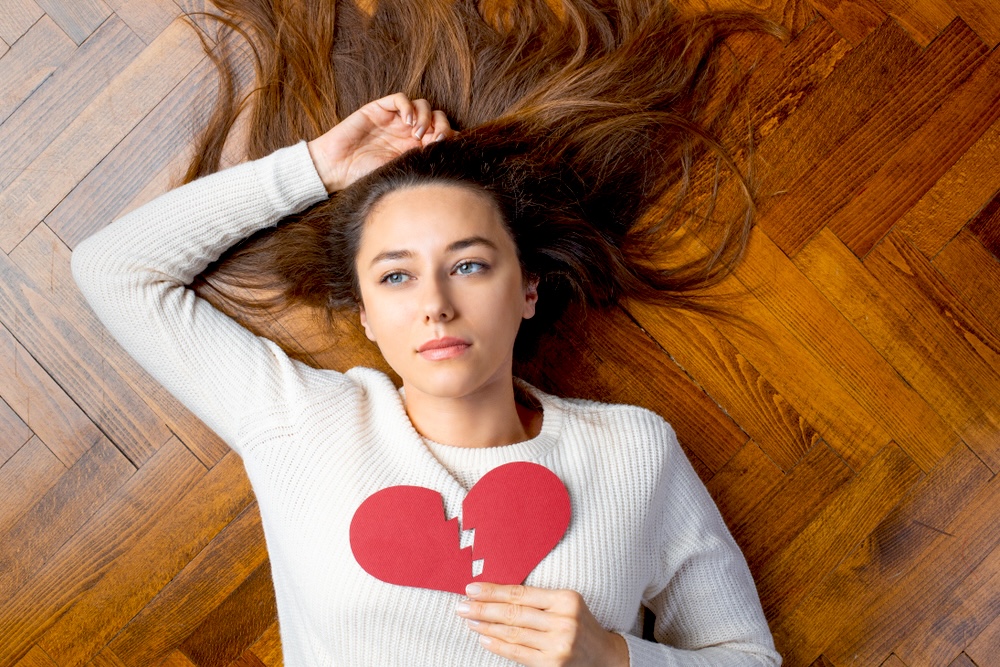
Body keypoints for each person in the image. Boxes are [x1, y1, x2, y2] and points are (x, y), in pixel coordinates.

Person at [72, 1, 784, 665]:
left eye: (468, 264)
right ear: (364, 316)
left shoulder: (635, 450)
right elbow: (114, 270)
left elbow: (748, 656)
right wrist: (319, 166)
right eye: (394, 277)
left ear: (528, 286)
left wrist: (616, 657)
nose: (435, 304)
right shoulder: (302, 424)